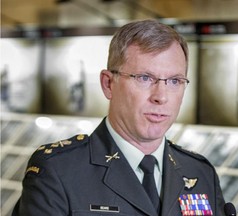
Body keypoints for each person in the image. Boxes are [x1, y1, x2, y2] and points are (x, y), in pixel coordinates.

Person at [12, 19, 225, 216]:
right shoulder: (59, 170)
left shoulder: (199, 172)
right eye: (144, 78)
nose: (161, 97)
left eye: (175, 81)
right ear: (108, 84)